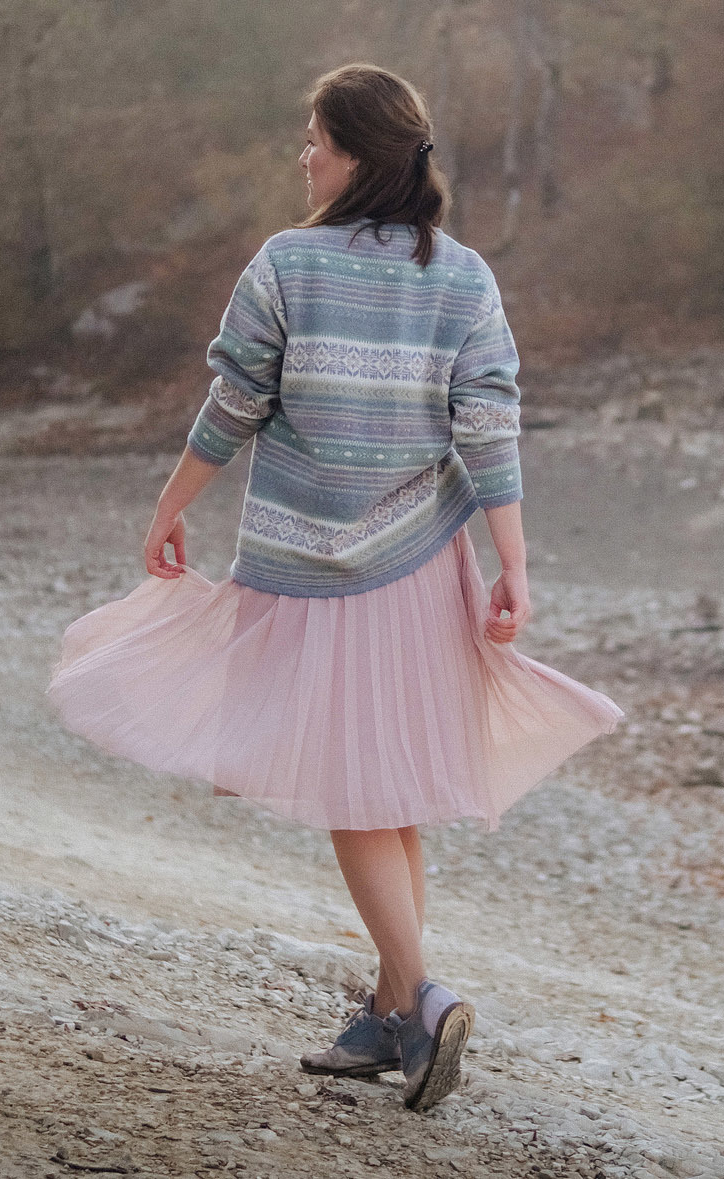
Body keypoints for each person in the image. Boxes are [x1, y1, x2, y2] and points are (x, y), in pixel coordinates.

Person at [47, 63, 624, 1112]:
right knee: (385, 792)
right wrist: (514, 565)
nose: (302, 155)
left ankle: (432, 1001)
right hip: (425, 562)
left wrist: (170, 503)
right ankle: (389, 1013)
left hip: (317, 571)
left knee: (355, 788)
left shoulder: (286, 265)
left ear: (358, 153)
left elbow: (235, 404)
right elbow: (487, 424)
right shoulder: (463, 276)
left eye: (314, 137)